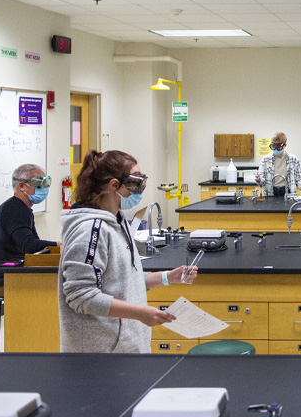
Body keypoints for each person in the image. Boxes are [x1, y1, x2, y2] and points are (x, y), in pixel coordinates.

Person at [58, 150, 197, 353]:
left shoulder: (117, 221)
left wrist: (167, 277)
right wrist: (139, 313)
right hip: (99, 355)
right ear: (114, 185)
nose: (140, 189)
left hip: (124, 349)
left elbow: (122, 280)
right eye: (136, 182)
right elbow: (81, 295)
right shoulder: (89, 229)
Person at [0, 164, 60, 298]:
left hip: (7, 275)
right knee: (56, 287)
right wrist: (58, 245)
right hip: (2, 281)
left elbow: (34, 245)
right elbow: (29, 246)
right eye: (38, 183)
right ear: (21, 186)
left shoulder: (22, 208)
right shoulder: (15, 210)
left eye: (46, 183)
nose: (44, 189)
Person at [256, 132, 301, 198]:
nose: (275, 148)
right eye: (273, 145)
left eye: (278, 146)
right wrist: (259, 180)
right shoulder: (265, 159)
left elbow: (299, 179)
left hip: (288, 192)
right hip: (270, 192)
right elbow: (261, 179)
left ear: (285, 145)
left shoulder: (294, 159)